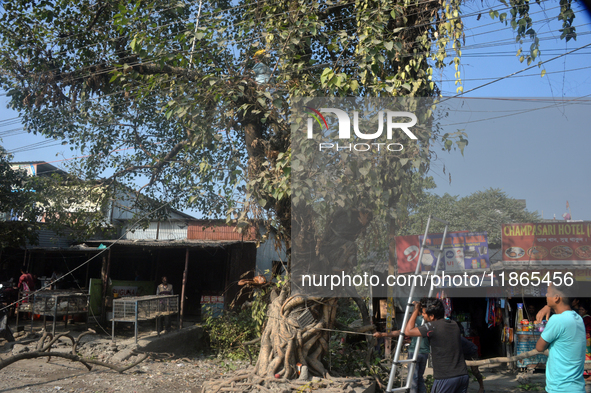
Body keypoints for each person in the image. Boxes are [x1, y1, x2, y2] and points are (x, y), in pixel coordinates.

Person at [405, 298, 469, 393]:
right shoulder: (454, 324)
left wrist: (415, 310)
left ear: (431, 316)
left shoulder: (433, 327)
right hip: (462, 375)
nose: (422, 315)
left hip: (446, 378)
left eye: (423, 313)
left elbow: (408, 331)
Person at [535, 283, 586, 393]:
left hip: (560, 388)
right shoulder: (578, 319)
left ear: (556, 297)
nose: (546, 295)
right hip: (577, 388)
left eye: (548, 292)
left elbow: (539, 347)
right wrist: (548, 306)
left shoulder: (556, 320)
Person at [576, 300, 591, 380]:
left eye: (582, 310)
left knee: (587, 356)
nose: (580, 311)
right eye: (580, 310)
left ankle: (588, 373)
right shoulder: (584, 318)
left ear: (586, 310)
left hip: (587, 339)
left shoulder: (587, 318)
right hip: (585, 339)